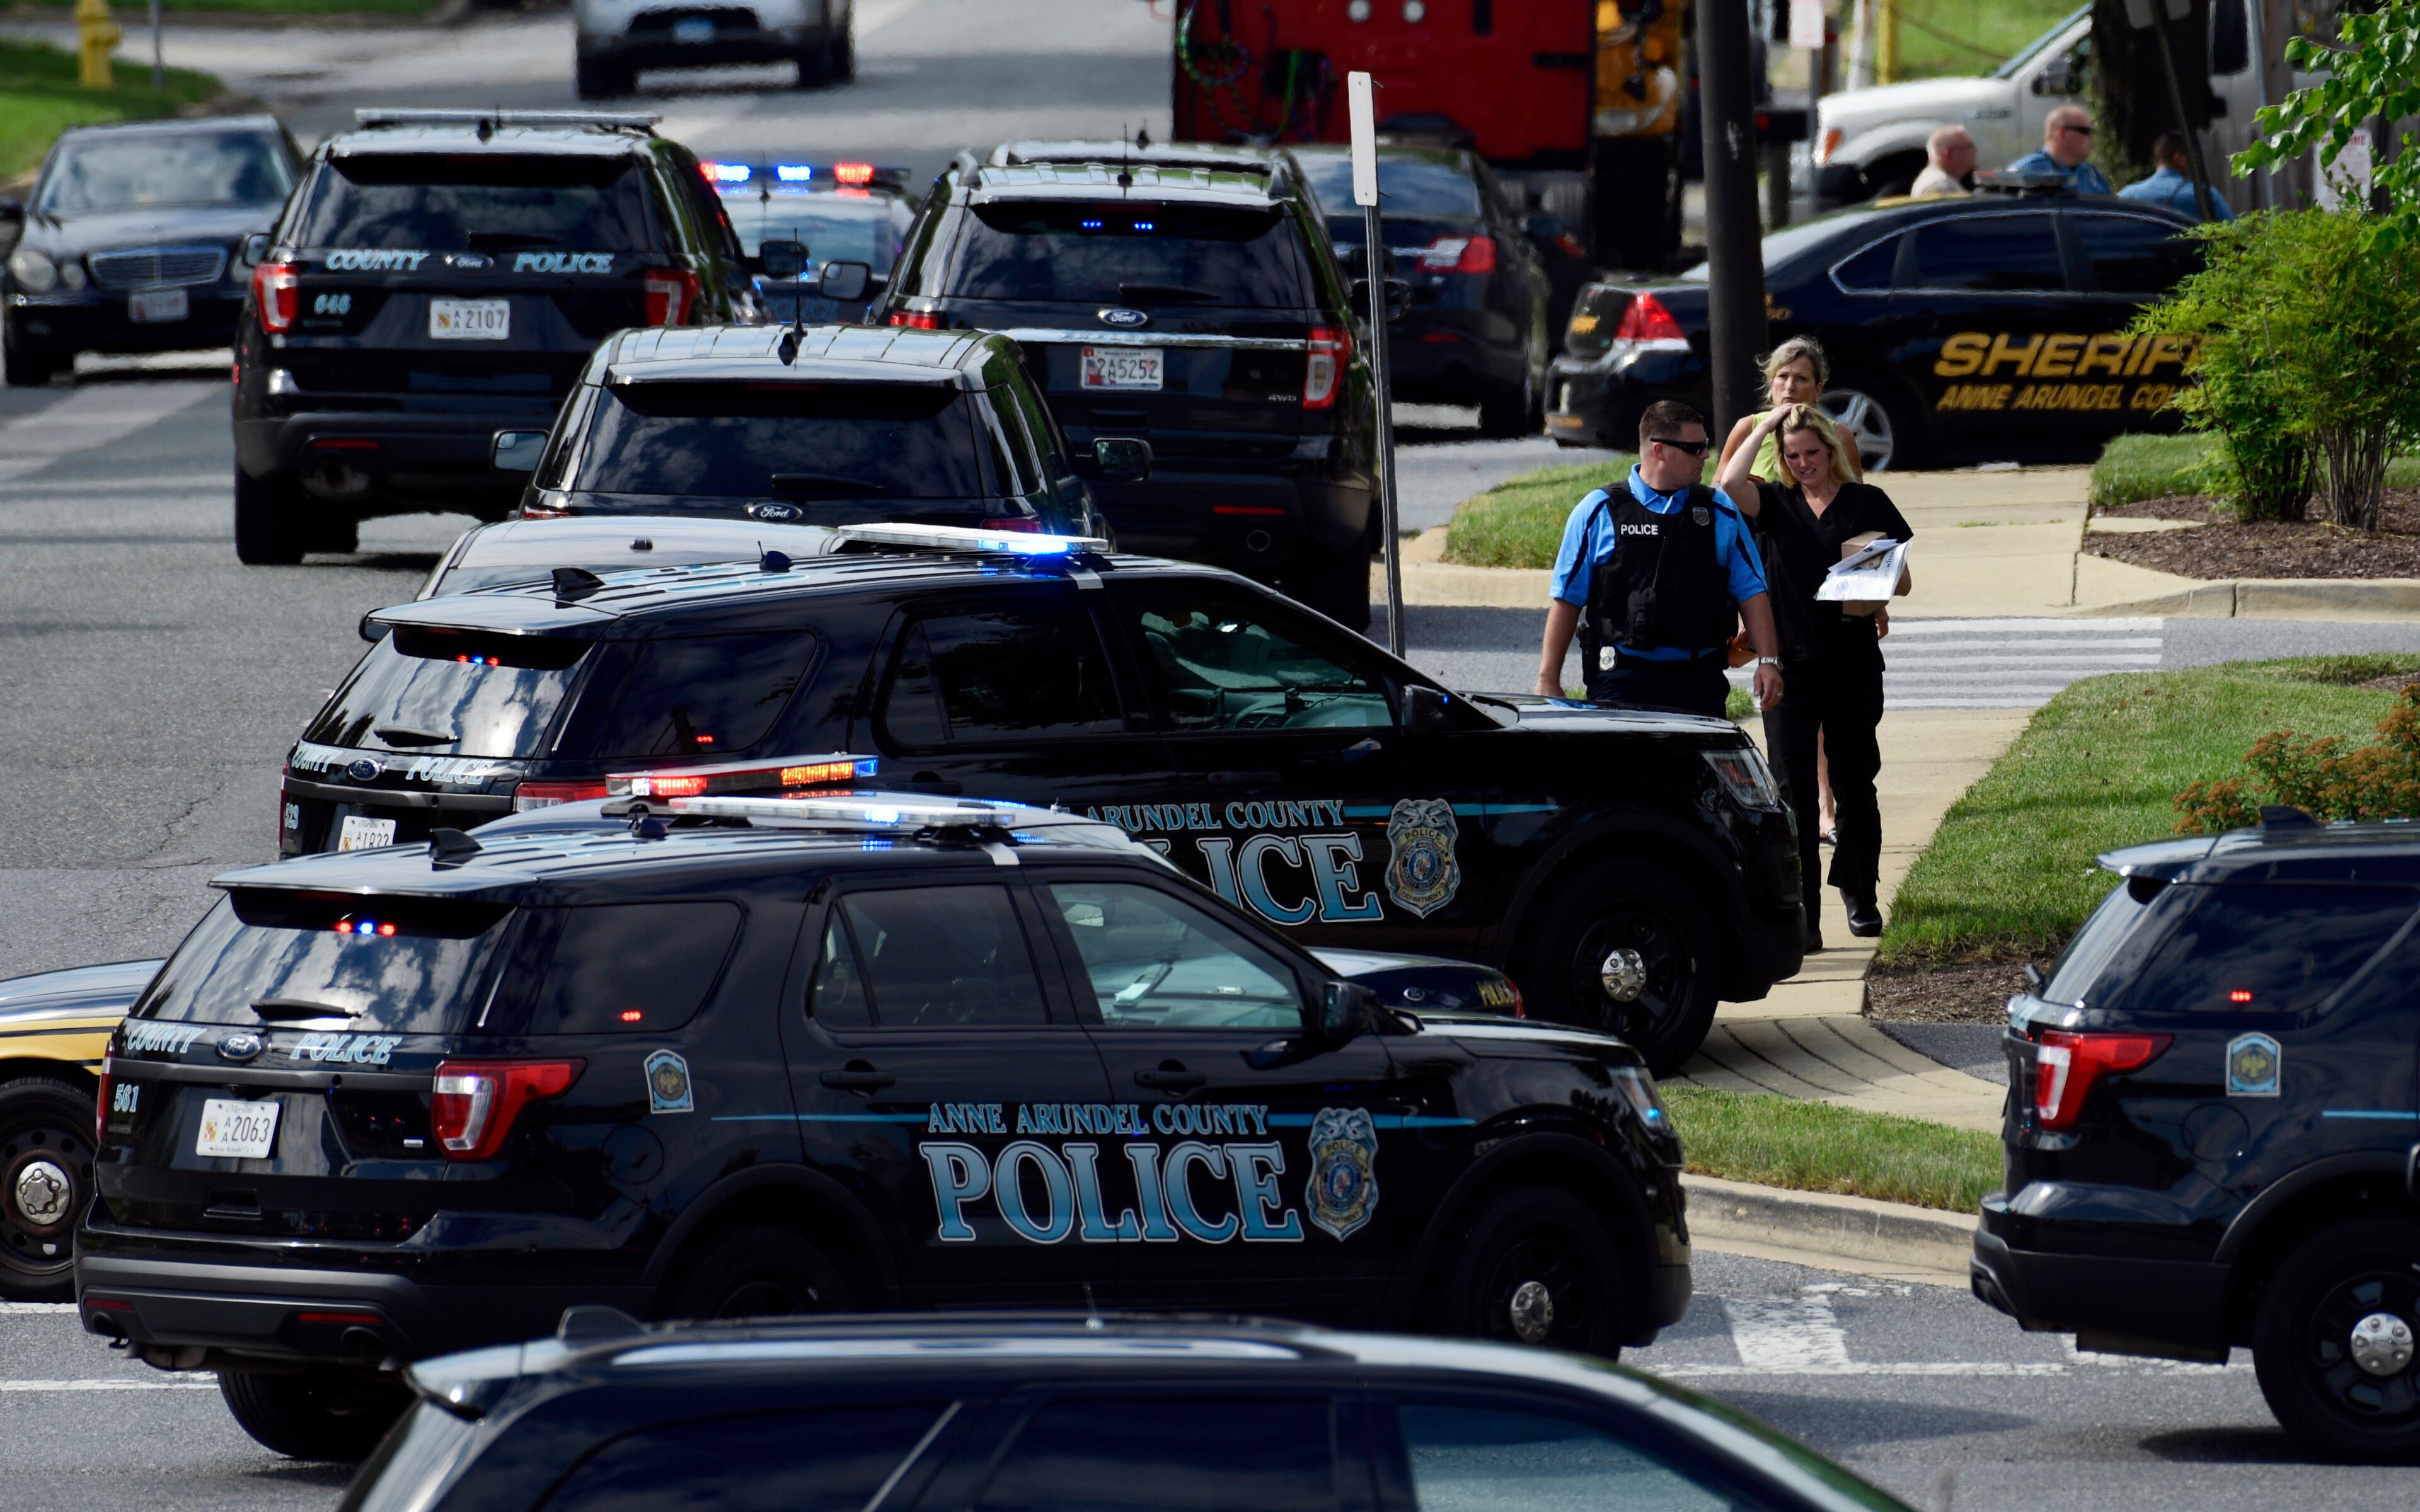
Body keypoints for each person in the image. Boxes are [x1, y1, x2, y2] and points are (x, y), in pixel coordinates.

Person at [1715, 403, 1912, 948]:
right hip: (1791, 667)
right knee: (1791, 794)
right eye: (1793, 456)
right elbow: (1730, 481)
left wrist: (1876, 585)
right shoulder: (1775, 504)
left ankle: (1860, 897)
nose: (1804, 464)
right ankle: (1806, 916)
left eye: (1813, 454)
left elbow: (1904, 580)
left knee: (1855, 785)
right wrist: (1769, 422)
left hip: (1851, 664)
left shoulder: (1865, 502)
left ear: (1832, 452)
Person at [1535, 399, 1785, 721]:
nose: (1706, 456)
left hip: (1699, 678)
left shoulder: (1719, 510)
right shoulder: (1600, 509)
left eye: (1705, 446)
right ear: (1659, 450)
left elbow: (1752, 590)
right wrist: (1548, 680)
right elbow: (1566, 600)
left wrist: (1768, 661)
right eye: (1694, 448)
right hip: (1621, 678)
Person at [1716, 336, 1865, 485]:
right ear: (1771, 383)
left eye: (1801, 378)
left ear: (1818, 389)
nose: (1790, 387)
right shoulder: (1747, 428)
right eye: (1782, 376)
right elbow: (1718, 488)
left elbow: (1857, 497)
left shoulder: (1840, 435)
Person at [2119, 129, 2235, 221]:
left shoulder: (2127, 195)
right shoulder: (2205, 196)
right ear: (2178, 157)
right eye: (2191, 157)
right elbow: (2235, 239)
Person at [2006, 105, 2114, 195]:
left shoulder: (2093, 175)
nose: (2092, 137)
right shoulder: (2025, 172)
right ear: (2062, 133)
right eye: (2085, 131)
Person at [1908, 125, 1974, 198]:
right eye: (1969, 147)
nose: (1974, 151)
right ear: (1948, 155)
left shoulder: (1935, 178)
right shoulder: (1941, 187)